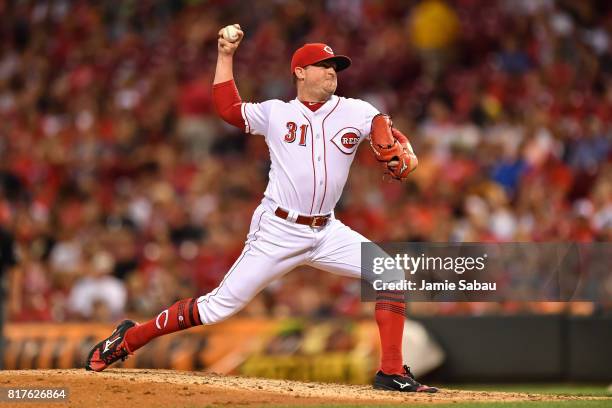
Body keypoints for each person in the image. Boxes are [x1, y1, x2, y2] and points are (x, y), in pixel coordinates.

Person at [86, 24, 437, 393]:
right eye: (323, 65)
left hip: (328, 230)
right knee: (216, 308)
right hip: (278, 229)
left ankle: (391, 372)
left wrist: (402, 146)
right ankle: (128, 340)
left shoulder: (355, 110)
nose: (332, 71)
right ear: (300, 72)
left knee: (391, 276)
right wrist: (225, 55)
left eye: (335, 66)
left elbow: (384, 128)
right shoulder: (276, 113)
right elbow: (228, 109)